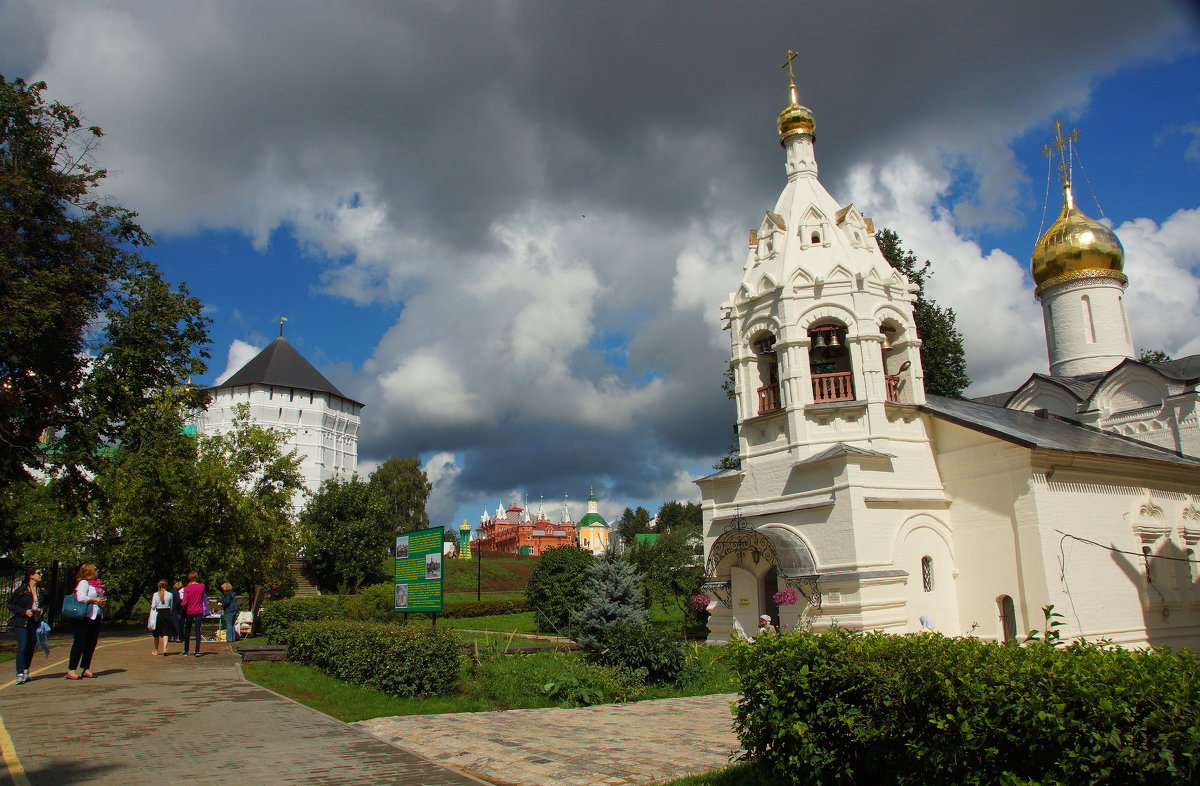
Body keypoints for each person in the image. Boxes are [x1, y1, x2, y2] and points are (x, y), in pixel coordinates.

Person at [6, 567, 46, 685]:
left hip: (35, 621)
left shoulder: (42, 590)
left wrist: (42, 610)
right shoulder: (22, 590)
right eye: (38, 573)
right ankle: (20, 672)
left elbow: (46, 604)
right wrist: (24, 612)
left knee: (31, 646)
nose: (41, 575)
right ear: (31, 575)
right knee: (22, 646)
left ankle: (25, 669)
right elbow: (11, 604)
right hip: (22, 621)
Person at [67, 563, 106, 679]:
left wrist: (101, 602)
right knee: (79, 643)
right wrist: (94, 600)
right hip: (83, 617)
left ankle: (86, 668)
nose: (97, 571)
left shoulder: (97, 584)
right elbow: (81, 597)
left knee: (91, 644)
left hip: (95, 616)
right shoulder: (84, 583)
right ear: (89, 571)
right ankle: (71, 669)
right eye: (95, 569)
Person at [179, 571, 207, 657]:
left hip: (189, 611)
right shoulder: (202, 586)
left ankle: (186, 650)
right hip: (199, 610)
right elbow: (202, 598)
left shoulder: (187, 588)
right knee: (197, 630)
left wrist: (181, 606)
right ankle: (197, 651)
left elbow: (184, 601)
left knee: (188, 630)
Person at [149, 580, 174, 655]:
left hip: (158, 613)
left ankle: (156, 650)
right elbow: (171, 606)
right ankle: (165, 648)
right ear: (166, 586)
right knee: (165, 632)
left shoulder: (156, 594)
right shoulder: (170, 594)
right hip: (166, 613)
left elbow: (153, 606)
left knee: (156, 634)